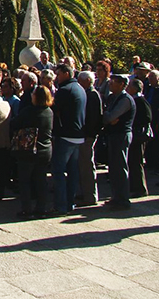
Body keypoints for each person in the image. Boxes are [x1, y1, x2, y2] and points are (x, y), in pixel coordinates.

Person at [11, 85, 54, 218]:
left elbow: (14, 123)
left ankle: (26, 209)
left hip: (28, 150)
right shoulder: (49, 112)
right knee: (41, 179)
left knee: (25, 181)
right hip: (45, 149)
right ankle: (41, 208)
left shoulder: (29, 111)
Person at [51, 64, 86, 215]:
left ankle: (61, 205)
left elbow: (54, 108)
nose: (56, 78)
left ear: (66, 73)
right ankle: (69, 203)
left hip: (65, 134)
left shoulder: (65, 90)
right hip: (77, 135)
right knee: (72, 171)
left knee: (58, 171)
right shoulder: (80, 88)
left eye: (58, 75)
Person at [102, 74, 136, 210]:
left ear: (122, 84)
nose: (110, 84)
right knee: (114, 167)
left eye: (113, 82)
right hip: (113, 134)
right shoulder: (112, 97)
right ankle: (116, 196)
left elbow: (110, 116)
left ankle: (123, 199)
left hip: (121, 135)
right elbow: (106, 114)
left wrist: (109, 117)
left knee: (120, 167)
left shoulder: (125, 100)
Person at [77, 71, 102, 207]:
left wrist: (89, 134)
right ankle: (84, 192)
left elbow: (93, 118)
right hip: (85, 135)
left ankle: (90, 195)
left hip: (88, 136)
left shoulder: (92, 95)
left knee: (87, 165)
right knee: (82, 165)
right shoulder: (88, 94)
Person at [127, 78, 152, 198]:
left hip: (139, 136)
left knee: (137, 162)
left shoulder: (141, 101)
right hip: (134, 134)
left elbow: (147, 117)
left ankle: (140, 188)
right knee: (132, 161)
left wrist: (135, 123)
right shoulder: (134, 100)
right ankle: (133, 186)